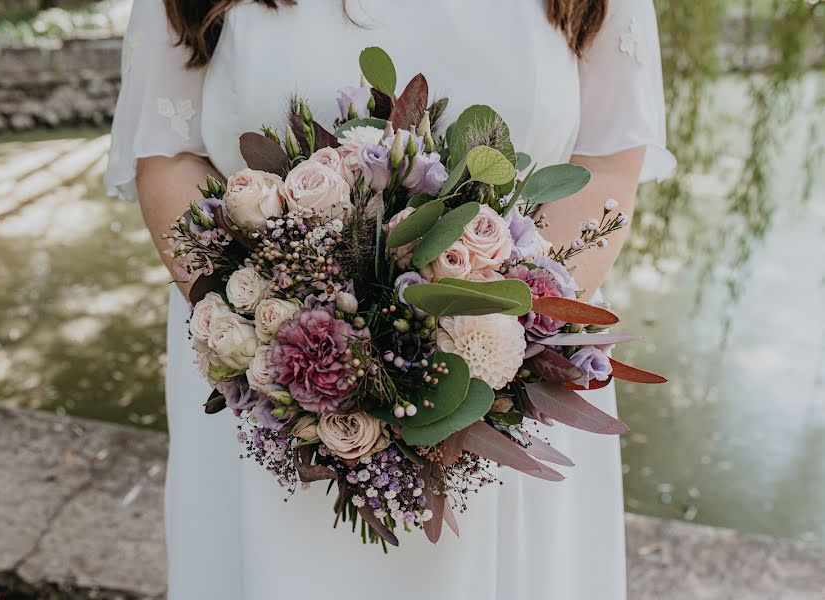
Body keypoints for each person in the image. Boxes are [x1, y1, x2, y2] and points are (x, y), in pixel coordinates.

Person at [105, 1, 675, 598]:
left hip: (508, 380)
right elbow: (167, 156)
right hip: (265, 388)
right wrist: (284, 342)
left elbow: (607, 163)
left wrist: (499, 339)